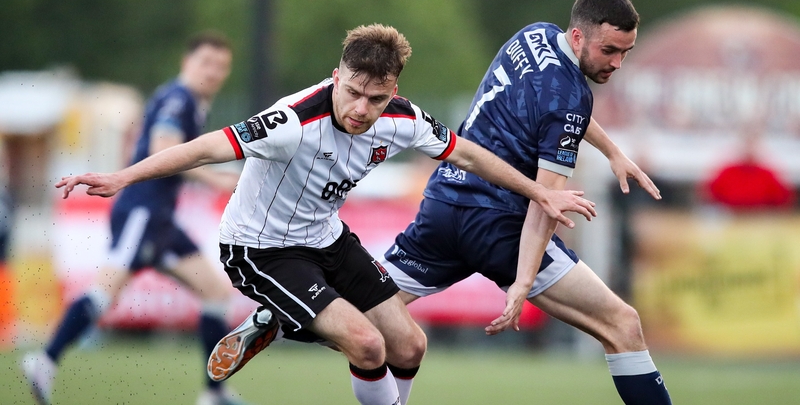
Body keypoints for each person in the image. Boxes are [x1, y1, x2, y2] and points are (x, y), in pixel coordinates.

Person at [54, 24, 597, 405]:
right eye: (353, 92)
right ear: (336, 76)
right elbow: (202, 148)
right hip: (260, 249)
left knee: (411, 344)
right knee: (367, 344)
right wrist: (122, 177)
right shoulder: (291, 122)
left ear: (393, 91)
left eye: (375, 99)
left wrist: (540, 193)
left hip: (327, 239)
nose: (361, 109)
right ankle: (280, 315)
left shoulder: (403, 118)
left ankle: (276, 320)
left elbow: (470, 155)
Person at [375, 0, 673, 405]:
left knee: (363, 307)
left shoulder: (534, 35)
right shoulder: (571, 100)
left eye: (625, 52)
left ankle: (286, 312)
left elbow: (558, 107)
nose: (616, 63)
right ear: (578, 37)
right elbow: (545, 201)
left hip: (444, 206)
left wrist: (612, 152)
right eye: (609, 50)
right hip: (500, 229)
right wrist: (522, 283)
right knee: (622, 325)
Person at [23, 31, 245, 405]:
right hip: (142, 212)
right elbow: (163, 148)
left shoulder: (188, 102)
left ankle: (214, 393)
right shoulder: (178, 99)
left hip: (161, 220)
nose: (213, 72)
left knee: (216, 293)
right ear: (186, 62)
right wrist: (216, 179)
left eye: (221, 66)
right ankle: (44, 361)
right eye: (206, 62)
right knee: (103, 294)